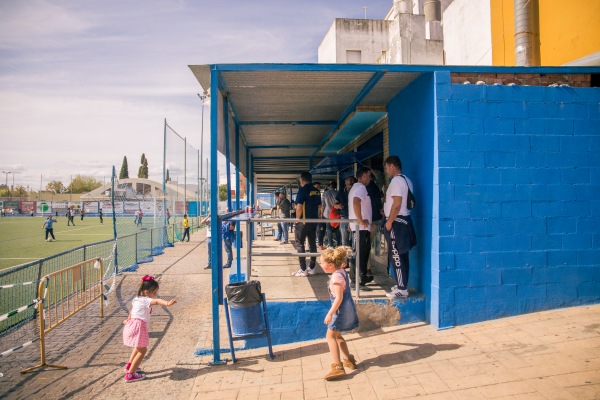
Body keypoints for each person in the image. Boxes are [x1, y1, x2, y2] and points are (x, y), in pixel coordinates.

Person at [122, 275, 177, 383]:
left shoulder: (136, 299)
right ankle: (130, 374)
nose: (155, 295)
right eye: (154, 293)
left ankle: (130, 365)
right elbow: (156, 302)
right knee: (142, 350)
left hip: (132, 325)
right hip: (139, 327)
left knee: (137, 347)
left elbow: (131, 311)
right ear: (147, 292)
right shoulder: (145, 300)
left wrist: (127, 320)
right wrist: (167, 303)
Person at [321, 246, 359, 381]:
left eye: (322, 263)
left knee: (330, 336)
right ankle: (349, 359)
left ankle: (338, 367)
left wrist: (330, 313)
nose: (321, 265)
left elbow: (338, 298)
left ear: (330, 265)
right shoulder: (342, 272)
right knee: (338, 336)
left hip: (340, 311)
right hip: (346, 309)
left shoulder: (336, 278)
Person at [382, 156, 417, 299]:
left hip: (397, 223)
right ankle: (401, 284)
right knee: (402, 255)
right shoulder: (406, 180)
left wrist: (389, 221)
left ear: (391, 166)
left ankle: (402, 289)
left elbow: (397, 204)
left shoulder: (396, 181)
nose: (386, 171)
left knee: (396, 255)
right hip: (404, 221)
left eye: (386, 168)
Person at [348, 167, 374, 288]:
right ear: (363, 175)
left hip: (359, 226)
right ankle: (357, 278)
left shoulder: (354, 188)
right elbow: (355, 202)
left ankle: (360, 276)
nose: (370, 178)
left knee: (360, 252)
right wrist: (360, 220)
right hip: (361, 227)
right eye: (369, 176)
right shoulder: (361, 188)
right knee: (360, 253)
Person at [292, 172, 322, 277]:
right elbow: (320, 207)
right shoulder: (317, 191)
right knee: (312, 243)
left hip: (303, 222)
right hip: (314, 221)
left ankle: (303, 269)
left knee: (300, 243)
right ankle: (312, 268)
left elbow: (299, 206)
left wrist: (296, 219)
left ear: (302, 180)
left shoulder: (302, 189)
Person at [334, 175, 356, 247]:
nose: (350, 181)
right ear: (345, 182)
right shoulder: (341, 192)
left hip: (354, 217)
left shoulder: (357, 191)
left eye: (352, 180)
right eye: (348, 180)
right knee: (344, 240)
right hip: (344, 217)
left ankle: (353, 257)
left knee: (354, 239)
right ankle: (346, 257)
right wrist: (338, 206)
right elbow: (334, 205)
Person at [322, 181, 340, 248]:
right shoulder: (337, 193)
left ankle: (331, 245)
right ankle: (339, 244)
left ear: (329, 186)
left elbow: (323, 204)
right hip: (336, 213)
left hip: (327, 213)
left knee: (328, 229)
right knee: (337, 229)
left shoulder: (325, 193)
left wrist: (321, 213)